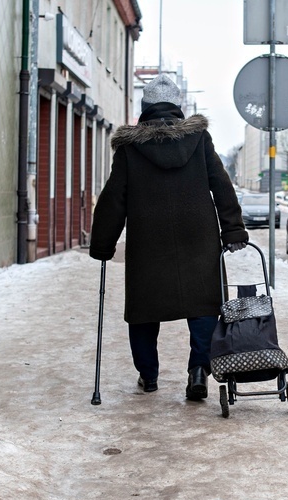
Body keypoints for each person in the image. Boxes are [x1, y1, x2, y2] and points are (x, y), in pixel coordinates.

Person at [89, 74, 248, 400]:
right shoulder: (199, 139)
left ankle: (148, 377)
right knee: (204, 306)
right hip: (199, 240)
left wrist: (103, 242)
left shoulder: (131, 148)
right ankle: (198, 372)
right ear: (178, 107)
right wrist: (232, 229)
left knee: (144, 310)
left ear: (144, 108)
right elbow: (221, 184)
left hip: (149, 244)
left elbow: (113, 199)